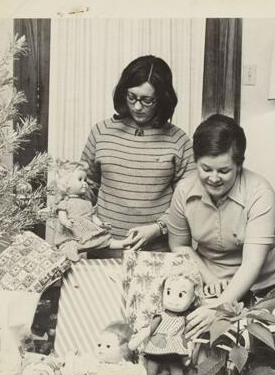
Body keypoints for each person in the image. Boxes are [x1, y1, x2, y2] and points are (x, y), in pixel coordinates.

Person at [168, 114, 275, 339]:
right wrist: (209, 278)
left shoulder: (260, 192)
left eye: (224, 171)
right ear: (195, 162)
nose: (214, 178)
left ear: (239, 165)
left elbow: (252, 263)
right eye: (205, 169)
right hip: (209, 286)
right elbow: (179, 246)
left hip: (264, 288)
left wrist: (218, 309)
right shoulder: (184, 190)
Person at [81, 55, 195, 254]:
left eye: (147, 100)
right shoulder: (101, 132)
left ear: (163, 99)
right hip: (103, 251)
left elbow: (188, 201)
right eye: (131, 97)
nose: (137, 106)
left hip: (156, 254)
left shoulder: (179, 141)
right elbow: (85, 187)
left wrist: (158, 228)